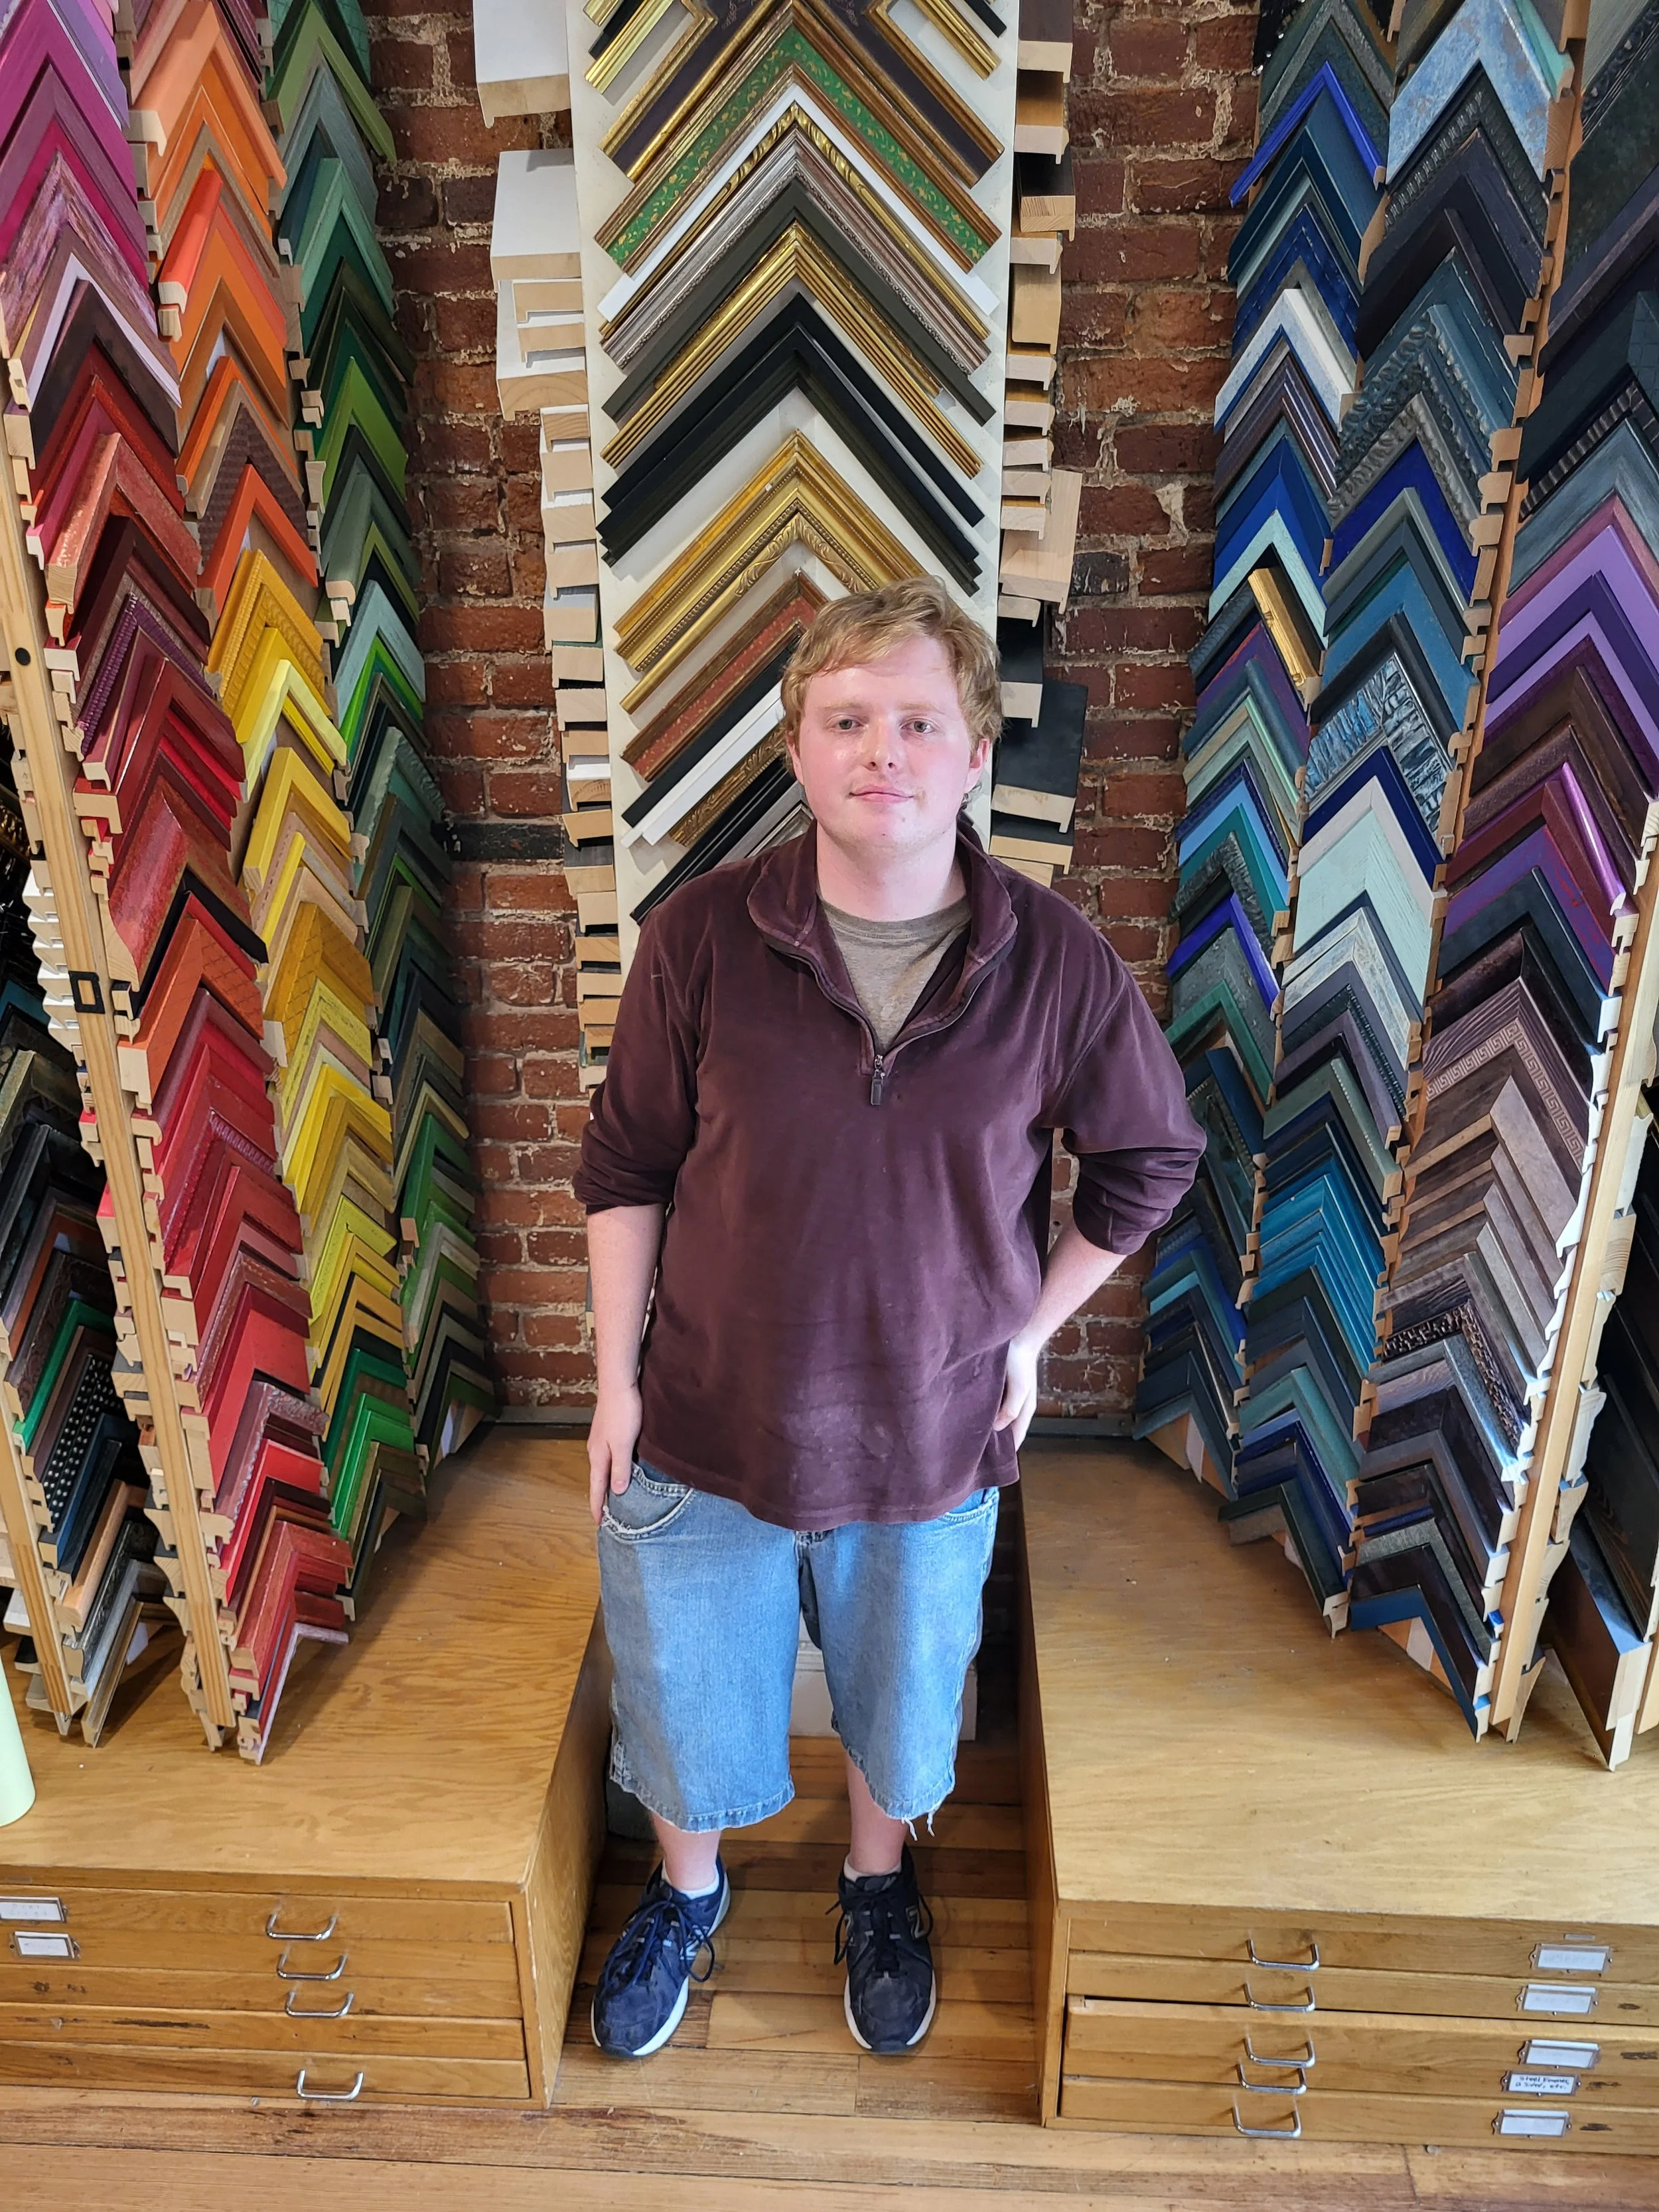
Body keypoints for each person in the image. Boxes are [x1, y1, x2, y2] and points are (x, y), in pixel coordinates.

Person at [573, 577, 1203, 2060]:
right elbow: (624, 1164)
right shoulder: (701, 939)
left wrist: (1031, 1334)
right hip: (703, 1411)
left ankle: (874, 1879)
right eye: (845, 718)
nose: (882, 750)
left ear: (974, 755)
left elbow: (1147, 1158)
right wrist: (612, 1382)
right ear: (796, 753)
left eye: (919, 720)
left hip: (931, 1421)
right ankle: (685, 1891)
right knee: (682, 1691)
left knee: (902, 1699)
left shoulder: (1049, 961)